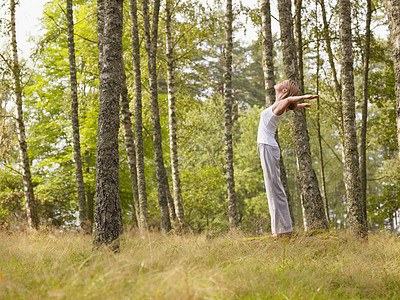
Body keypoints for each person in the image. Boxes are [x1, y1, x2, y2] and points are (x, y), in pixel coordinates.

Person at [257, 79, 318, 238]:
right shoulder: (278, 105)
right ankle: (282, 229)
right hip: (267, 147)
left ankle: (283, 230)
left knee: (274, 188)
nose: (279, 81)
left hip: (267, 147)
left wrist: (304, 98)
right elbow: (289, 105)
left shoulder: (281, 104)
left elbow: (290, 101)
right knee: (273, 187)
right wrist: (301, 105)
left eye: (283, 82)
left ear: (284, 91)